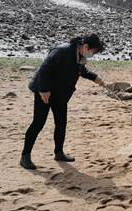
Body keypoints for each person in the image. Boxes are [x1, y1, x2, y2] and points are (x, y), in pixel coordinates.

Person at [21, 34, 107, 170]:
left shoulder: (80, 56)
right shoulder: (62, 51)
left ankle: (59, 153)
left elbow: (81, 70)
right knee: (38, 123)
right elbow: (44, 69)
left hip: (60, 94)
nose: (92, 54)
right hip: (44, 92)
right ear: (86, 46)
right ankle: (25, 156)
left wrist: (94, 77)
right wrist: (43, 89)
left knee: (61, 123)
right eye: (93, 51)